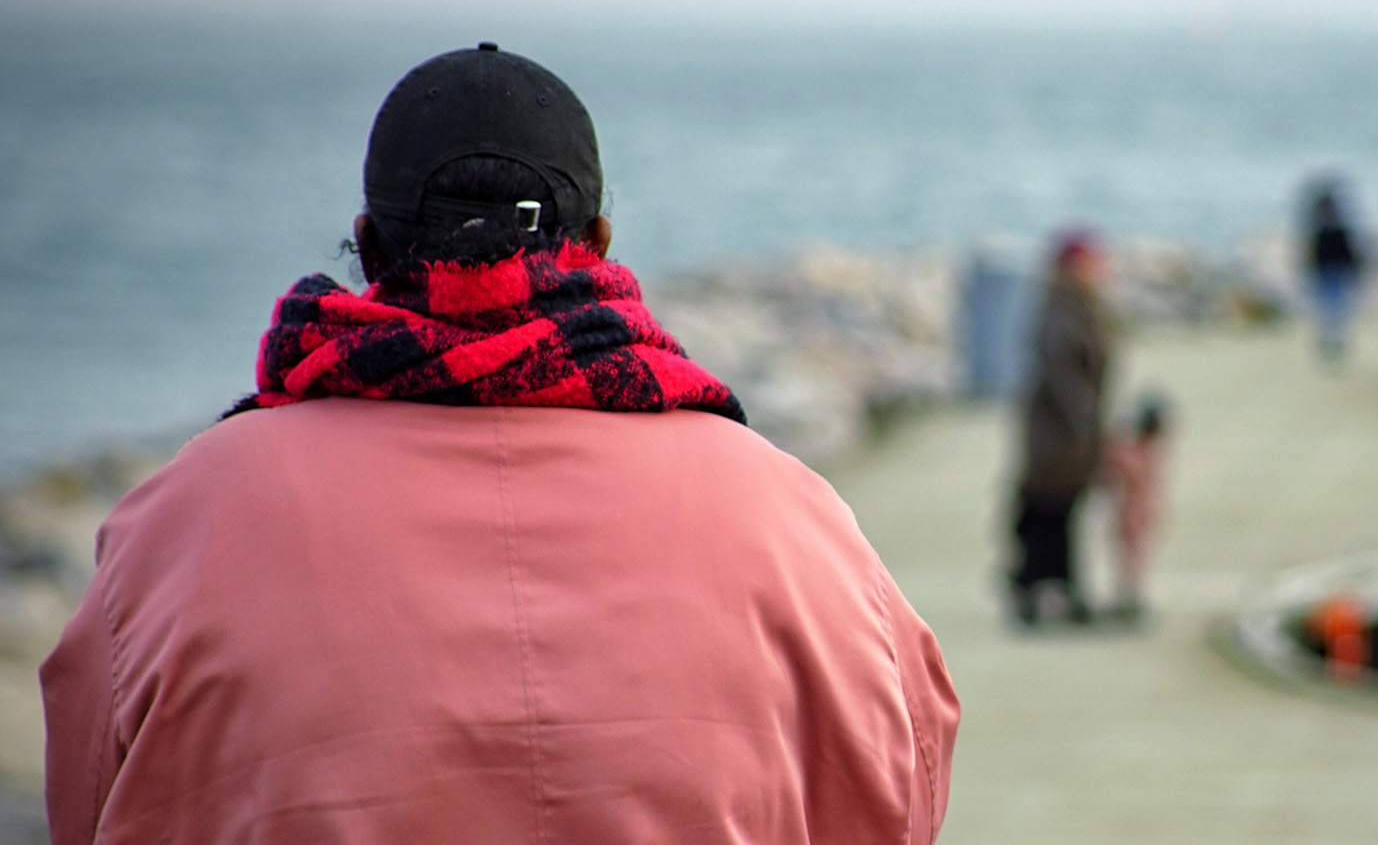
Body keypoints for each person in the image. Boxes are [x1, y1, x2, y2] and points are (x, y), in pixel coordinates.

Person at [40, 43, 958, 844]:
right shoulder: (787, 511)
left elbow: (86, 801)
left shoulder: (185, 517)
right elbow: (902, 783)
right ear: (597, 242)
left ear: (367, 245)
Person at [1006, 230, 1111, 627]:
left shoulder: (1077, 305)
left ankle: (1056, 588)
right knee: (1051, 512)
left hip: (1067, 432)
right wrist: (1084, 420)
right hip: (1059, 435)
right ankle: (1042, 588)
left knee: (1061, 513)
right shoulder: (1064, 307)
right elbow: (1062, 370)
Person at [1102, 394, 1170, 622]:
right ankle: (1128, 594)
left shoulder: (1143, 453)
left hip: (1134, 511)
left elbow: (1122, 464)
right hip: (1137, 510)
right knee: (1131, 555)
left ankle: (1129, 595)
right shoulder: (1149, 450)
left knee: (1131, 556)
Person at [1302, 177, 1365, 364]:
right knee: (1330, 312)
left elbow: (1348, 253)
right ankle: (1331, 343)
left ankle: (1333, 343)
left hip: (1333, 273)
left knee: (1333, 311)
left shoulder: (1331, 230)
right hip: (1328, 273)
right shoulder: (1326, 231)